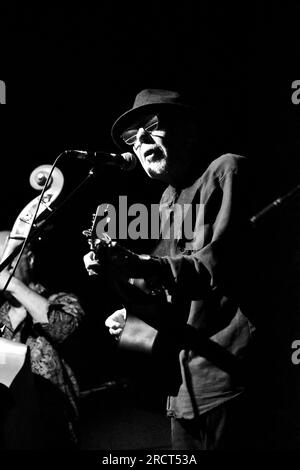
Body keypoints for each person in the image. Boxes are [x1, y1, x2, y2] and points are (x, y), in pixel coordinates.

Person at [83, 89, 265, 450]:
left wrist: (142, 265)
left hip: (227, 377)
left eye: (152, 126)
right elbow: (167, 283)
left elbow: (216, 267)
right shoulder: (168, 198)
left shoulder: (226, 169)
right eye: (132, 139)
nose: (141, 141)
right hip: (181, 388)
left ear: (189, 129)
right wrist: (126, 298)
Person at [0, 231, 85, 449]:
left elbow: (61, 328)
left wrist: (13, 285)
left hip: (56, 431)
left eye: (9, 261)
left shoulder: (60, 300)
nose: (3, 269)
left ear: (30, 259)